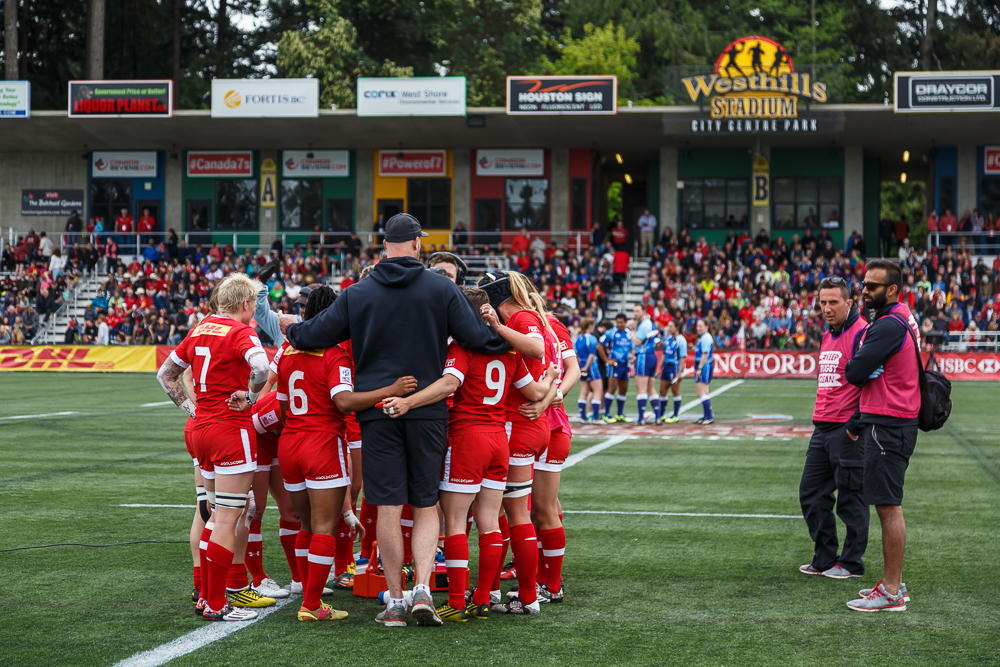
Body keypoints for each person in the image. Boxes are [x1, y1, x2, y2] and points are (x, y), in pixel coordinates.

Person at [282, 213, 512, 627]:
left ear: (383, 245)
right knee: (426, 504)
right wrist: (517, 338)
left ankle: (394, 600)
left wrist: (290, 327)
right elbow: (478, 340)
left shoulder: (358, 292)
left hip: (377, 413)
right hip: (428, 411)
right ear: (417, 245)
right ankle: (423, 587)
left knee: (387, 505)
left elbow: (310, 335)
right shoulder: (441, 287)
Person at [381, 286, 552, 620]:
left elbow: (448, 384)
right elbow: (532, 392)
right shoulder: (508, 350)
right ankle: (483, 597)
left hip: (467, 438)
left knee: (456, 522)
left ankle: (458, 601)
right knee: (490, 521)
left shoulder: (463, 347)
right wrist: (553, 384)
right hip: (499, 439)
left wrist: (409, 401)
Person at [274, 285, 416, 622]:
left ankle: (305, 589)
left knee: (307, 525)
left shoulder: (287, 351)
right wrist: (390, 391)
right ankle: (311, 605)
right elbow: (344, 401)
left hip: (290, 443)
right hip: (321, 443)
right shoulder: (335, 353)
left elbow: (280, 408)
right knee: (325, 527)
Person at [156, 273, 274, 622]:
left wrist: (191, 408)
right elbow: (262, 366)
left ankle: (207, 596)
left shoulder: (199, 329)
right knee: (227, 516)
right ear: (246, 304)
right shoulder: (240, 330)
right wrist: (251, 396)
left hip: (200, 428)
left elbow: (165, 374)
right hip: (229, 429)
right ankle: (218, 603)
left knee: (212, 515)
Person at [476, 270, 559, 615]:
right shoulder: (530, 316)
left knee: (511, 514)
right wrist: (544, 397)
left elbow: (538, 350)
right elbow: (548, 371)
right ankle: (503, 590)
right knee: (507, 513)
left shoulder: (521, 317)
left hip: (514, 426)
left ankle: (525, 596)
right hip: (530, 421)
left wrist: (496, 327)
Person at [843, 259, 920, 612]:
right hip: (894, 420)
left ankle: (891, 591)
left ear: (892, 290)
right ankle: (893, 583)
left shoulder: (888, 325)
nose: (863, 290)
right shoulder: (901, 316)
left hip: (888, 424)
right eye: (864, 284)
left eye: (872, 286)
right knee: (888, 504)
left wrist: (860, 362)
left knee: (889, 507)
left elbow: (855, 371)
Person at [798, 277, 870, 580]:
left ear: (849, 303)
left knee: (852, 499)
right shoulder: (829, 333)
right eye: (822, 302)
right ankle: (825, 557)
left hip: (847, 430)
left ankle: (851, 563)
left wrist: (854, 427)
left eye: (833, 302)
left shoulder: (862, 332)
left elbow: (871, 384)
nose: (826, 308)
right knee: (811, 494)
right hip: (822, 427)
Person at [599, 313, 633, 423]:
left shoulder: (628, 333)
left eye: (621, 322)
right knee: (612, 389)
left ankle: (619, 414)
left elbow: (631, 347)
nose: (619, 324)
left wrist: (632, 356)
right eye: (617, 322)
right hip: (615, 365)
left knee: (624, 389)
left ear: (625, 322)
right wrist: (607, 360)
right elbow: (600, 346)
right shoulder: (611, 333)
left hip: (626, 365)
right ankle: (607, 414)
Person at [630, 303, 660, 424]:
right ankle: (658, 417)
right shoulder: (648, 323)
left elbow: (637, 342)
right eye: (634, 311)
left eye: (637, 311)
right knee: (651, 388)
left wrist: (631, 330)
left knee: (641, 389)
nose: (635, 314)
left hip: (643, 356)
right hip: (651, 355)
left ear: (643, 311)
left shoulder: (644, 324)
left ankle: (641, 418)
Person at [574, 318, 604, 423]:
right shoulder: (591, 338)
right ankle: (595, 418)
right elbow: (591, 355)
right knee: (598, 391)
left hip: (581, 365)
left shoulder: (578, 338)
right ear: (590, 326)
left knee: (583, 392)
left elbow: (576, 354)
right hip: (591, 367)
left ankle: (583, 417)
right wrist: (587, 367)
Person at [658, 319, 687, 423]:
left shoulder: (681, 340)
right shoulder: (668, 339)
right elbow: (664, 354)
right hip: (666, 367)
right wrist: (659, 368)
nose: (669, 328)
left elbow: (683, 357)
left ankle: (675, 415)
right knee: (662, 391)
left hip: (675, 367)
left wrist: (680, 371)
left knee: (675, 391)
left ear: (677, 327)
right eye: (668, 326)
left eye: (671, 326)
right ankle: (661, 415)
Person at [693, 319, 715, 424]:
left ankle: (709, 416)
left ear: (706, 326)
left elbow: (705, 354)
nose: (698, 328)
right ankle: (706, 415)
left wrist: (700, 368)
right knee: (704, 392)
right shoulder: (704, 337)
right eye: (697, 326)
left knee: (701, 392)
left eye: (700, 326)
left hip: (704, 365)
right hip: (704, 365)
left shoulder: (706, 338)